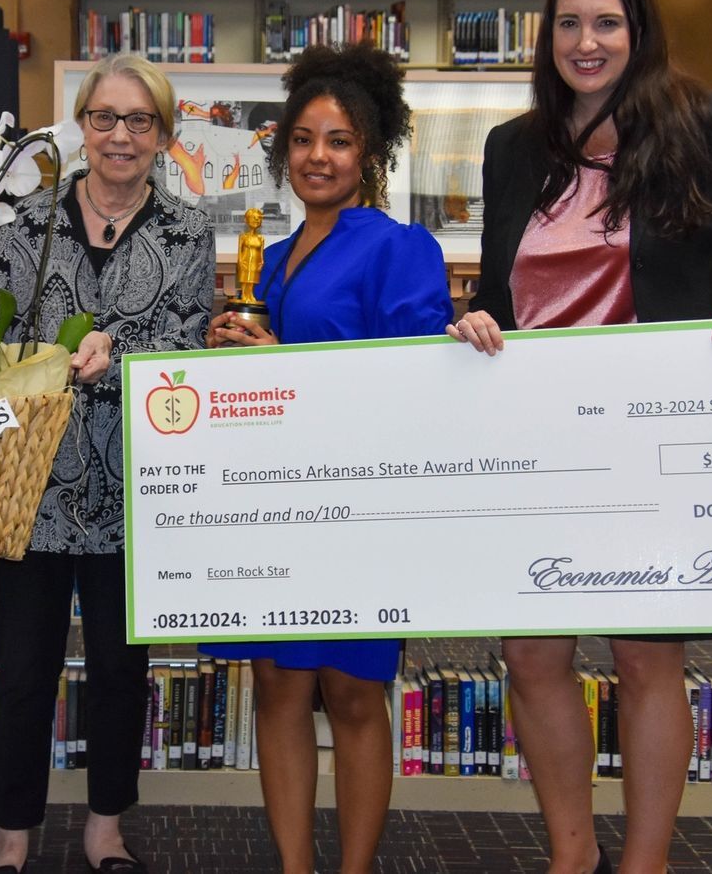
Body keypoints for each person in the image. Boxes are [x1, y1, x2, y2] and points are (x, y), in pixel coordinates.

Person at [447, 0, 712, 874]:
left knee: (647, 661)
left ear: (637, 31)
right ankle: (575, 856)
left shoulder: (705, 125)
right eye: (568, 23)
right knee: (531, 658)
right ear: (548, 38)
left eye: (605, 22)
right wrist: (478, 316)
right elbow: (500, 287)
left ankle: (644, 863)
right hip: (537, 444)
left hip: (653, 439)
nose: (586, 41)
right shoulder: (514, 148)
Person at [205, 43, 454, 874]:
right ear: (284, 152)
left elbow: (412, 379)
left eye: (340, 140)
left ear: (371, 152)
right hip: (274, 511)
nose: (319, 156)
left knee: (351, 692)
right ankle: (294, 867)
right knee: (277, 686)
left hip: (357, 508)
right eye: (305, 139)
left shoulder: (400, 248)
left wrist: (275, 359)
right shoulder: (268, 261)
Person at [0, 53, 214, 874]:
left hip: (136, 491)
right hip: (33, 487)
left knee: (119, 669)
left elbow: (189, 341)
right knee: (23, 671)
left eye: (140, 121)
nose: (120, 136)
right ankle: (11, 836)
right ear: (81, 126)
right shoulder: (25, 226)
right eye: (105, 118)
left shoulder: (189, 231)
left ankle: (105, 827)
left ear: (163, 136)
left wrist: (123, 350)